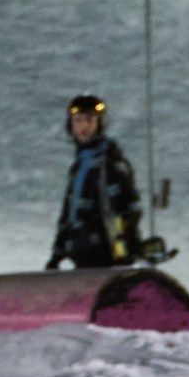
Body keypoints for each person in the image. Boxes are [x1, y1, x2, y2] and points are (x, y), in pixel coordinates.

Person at [46, 93, 146, 270]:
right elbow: (70, 211)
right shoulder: (80, 165)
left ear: (99, 123)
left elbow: (129, 207)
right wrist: (58, 251)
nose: (83, 126)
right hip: (81, 252)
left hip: (106, 254)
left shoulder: (110, 162)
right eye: (77, 121)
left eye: (90, 120)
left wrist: (126, 244)